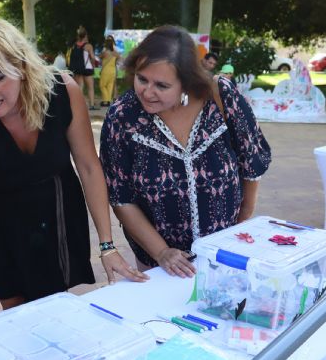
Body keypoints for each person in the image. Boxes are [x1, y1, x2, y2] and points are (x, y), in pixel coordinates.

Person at [0, 18, 147, 318]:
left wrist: (107, 246)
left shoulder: (64, 92)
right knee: (8, 317)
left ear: (22, 68)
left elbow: (89, 168)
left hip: (55, 219)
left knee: (49, 314)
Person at [99, 25, 271, 278]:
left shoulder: (221, 96)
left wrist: (240, 224)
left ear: (186, 83)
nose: (147, 92)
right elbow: (120, 197)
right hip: (159, 263)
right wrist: (161, 252)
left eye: (162, 85)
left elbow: (251, 161)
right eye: (142, 78)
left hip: (223, 251)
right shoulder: (123, 117)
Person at [69, 26, 97, 110]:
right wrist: (93, 65)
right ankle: (91, 105)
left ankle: (79, 105)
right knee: (90, 87)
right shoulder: (88, 46)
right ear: (85, 36)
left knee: (80, 87)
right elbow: (92, 57)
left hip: (78, 68)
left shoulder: (74, 45)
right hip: (87, 68)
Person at [99, 35, 120, 107]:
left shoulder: (105, 52)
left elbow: (100, 57)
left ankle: (106, 100)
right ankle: (108, 101)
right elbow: (119, 59)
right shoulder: (115, 53)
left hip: (106, 70)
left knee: (102, 85)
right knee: (110, 86)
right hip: (113, 70)